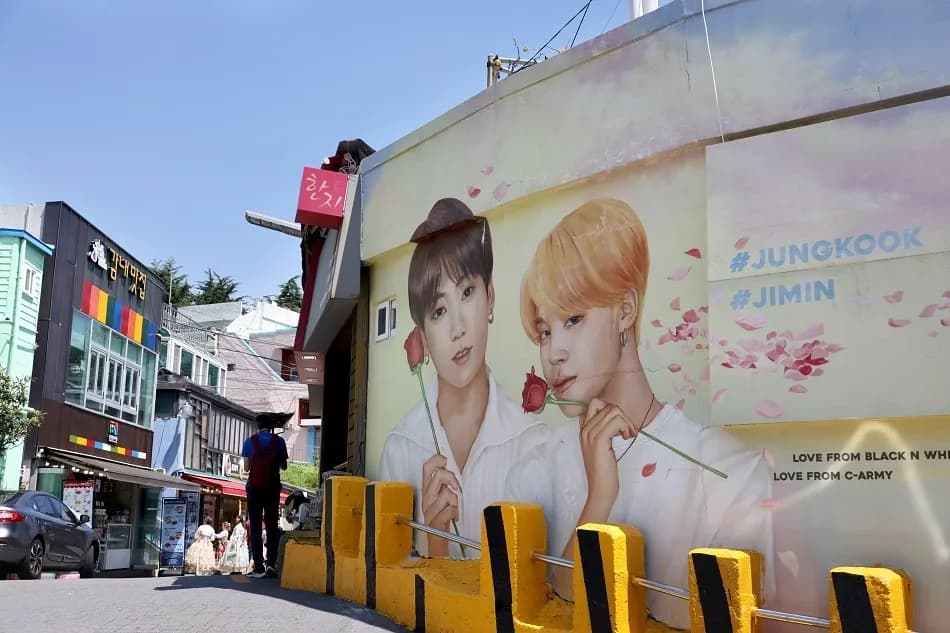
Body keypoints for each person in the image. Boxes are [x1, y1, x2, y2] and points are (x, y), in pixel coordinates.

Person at [509, 198, 774, 630]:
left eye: (573, 319)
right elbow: (537, 602)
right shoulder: (537, 465)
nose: (553, 352)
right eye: (544, 330)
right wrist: (600, 498)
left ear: (626, 311)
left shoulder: (725, 473)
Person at [379, 198, 550, 559]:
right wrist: (435, 541)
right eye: (439, 311)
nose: (458, 328)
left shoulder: (534, 443)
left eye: (468, 293)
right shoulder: (402, 447)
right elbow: (388, 575)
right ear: (422, 336)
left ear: (489, 298)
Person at [242, 411, 291, 578]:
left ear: (258, 426)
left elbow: (246, 468)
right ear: (271, 427)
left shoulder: (249, 442)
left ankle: (258, 565)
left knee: (255, 526)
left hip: (254, 488)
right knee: (271, 525)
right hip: (272, 487)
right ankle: (271, 564)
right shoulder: (279, 442)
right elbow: (284, 466)